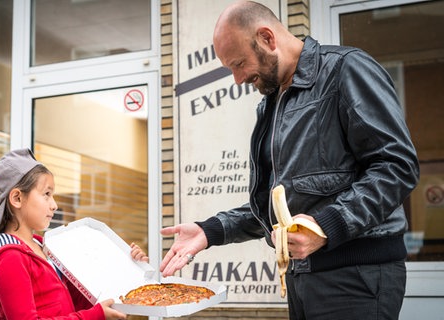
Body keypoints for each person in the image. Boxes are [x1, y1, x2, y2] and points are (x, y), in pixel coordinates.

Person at [159, 1, 419, 319]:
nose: (238, 79)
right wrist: (210, 231)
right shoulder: (271, 105)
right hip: (303, 277)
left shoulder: (345, 69)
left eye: (239, 63)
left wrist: (326, 225)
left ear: (268, 38)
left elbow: (397, 165)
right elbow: (278, 209)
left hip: (356, 277)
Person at [0, 148, 148, 320]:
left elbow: (78, 304)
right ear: (17, 199)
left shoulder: (45, 248)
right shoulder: (10, 259)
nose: (54, 205)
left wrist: (130, 268)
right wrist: (95, 315)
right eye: (46, 194)